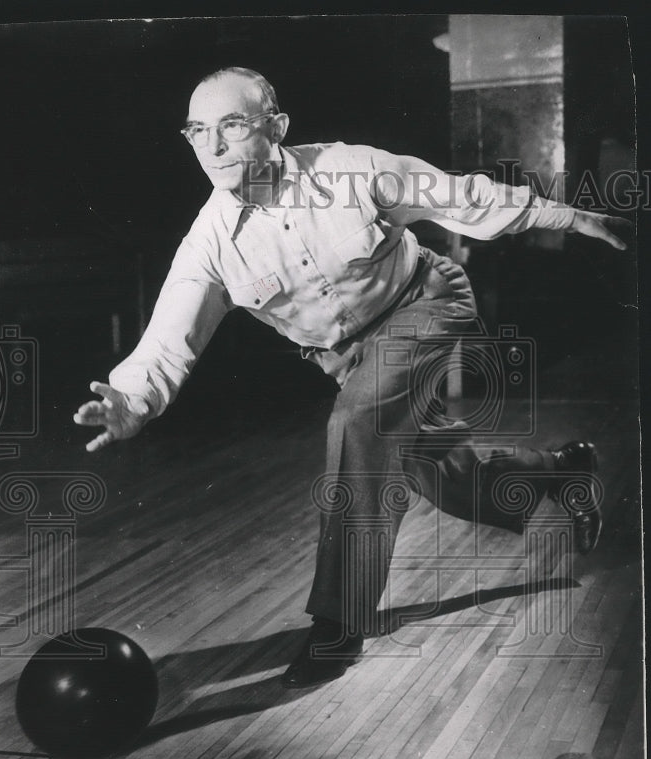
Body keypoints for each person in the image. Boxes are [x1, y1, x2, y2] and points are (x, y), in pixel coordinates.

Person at [74, 67, 628, 688]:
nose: (214, 146)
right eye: (198, 131)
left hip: (424, 303)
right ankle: (563, 470)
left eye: (231, 124)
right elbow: (168, 339)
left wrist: (567, 218)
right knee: (453, 480)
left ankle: (340, 621)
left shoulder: (350, 169)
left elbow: (456, 195)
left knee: (358, 422)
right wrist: (132, 399)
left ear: (277, 128)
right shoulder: (209, 245)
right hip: (345, 354)